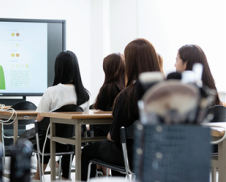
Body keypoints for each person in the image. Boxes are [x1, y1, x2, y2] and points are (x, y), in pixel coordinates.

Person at [81, 38, 161, 180]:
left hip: (132, 156)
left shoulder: (128, 95)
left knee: (87, 151)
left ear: (130, 64)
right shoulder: (167, 91)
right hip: (160, 155)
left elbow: (114, 136)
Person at [34, 50, 90, 180]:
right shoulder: (85, 94)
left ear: (58, 68)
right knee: (70, 133)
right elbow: (85, 121)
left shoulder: (51, 91)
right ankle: (66, 175)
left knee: (42, 134)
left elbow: (39, 118)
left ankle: (38, 174)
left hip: (50, 142)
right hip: (74, 143)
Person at [91, 53, 125, 137]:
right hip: (118, 134)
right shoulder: (124, 88)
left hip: (107, 135)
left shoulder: (108, 88)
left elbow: (99, 110)